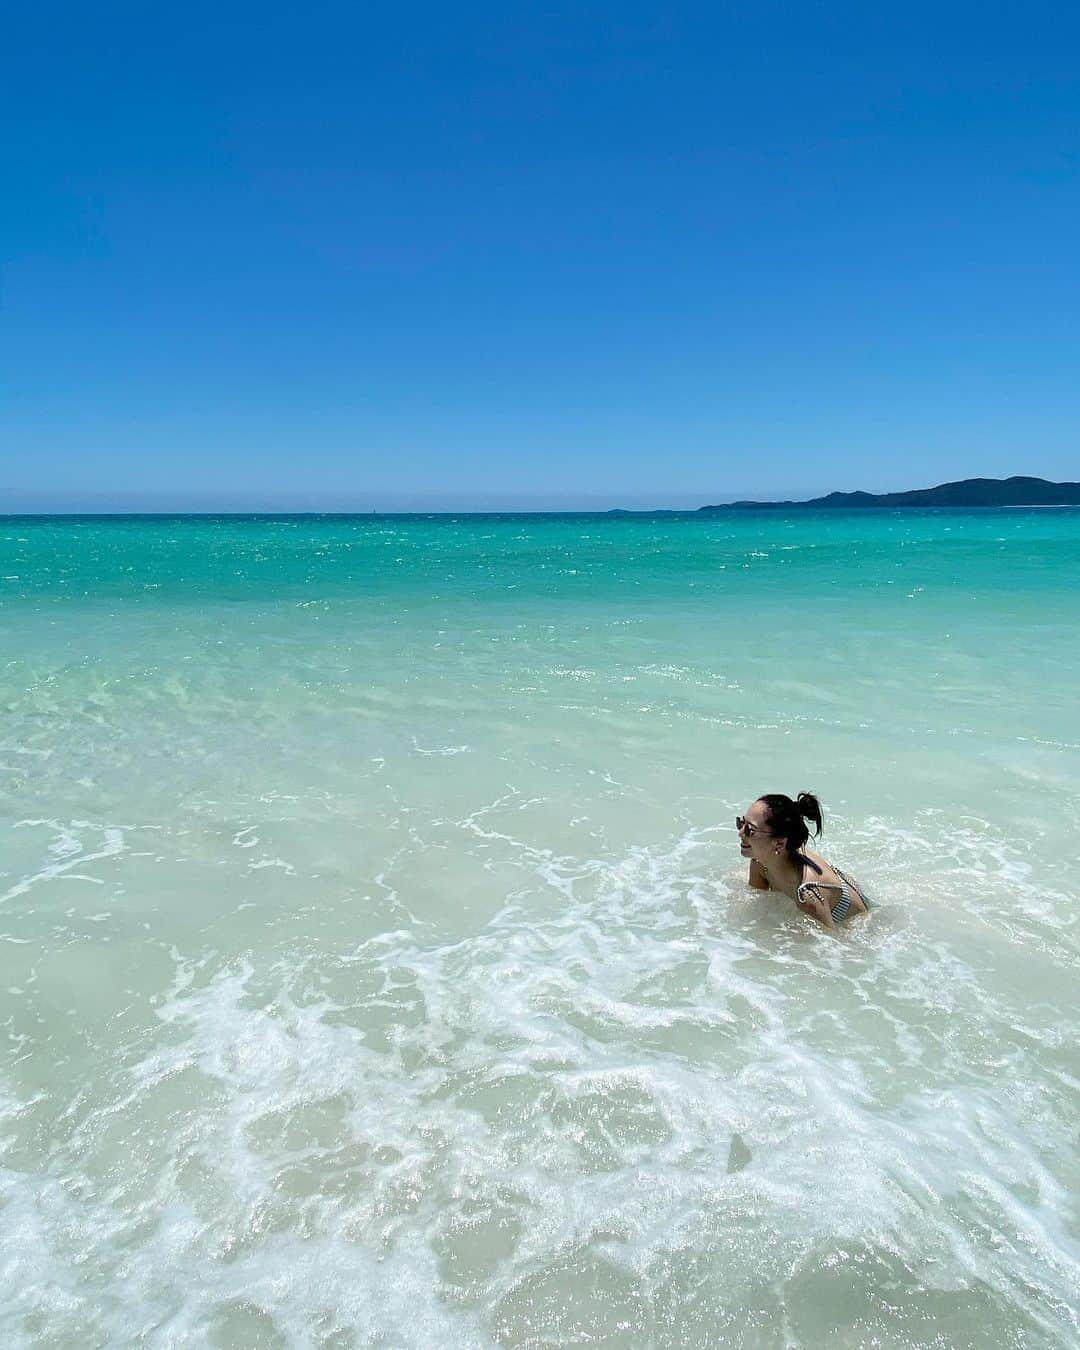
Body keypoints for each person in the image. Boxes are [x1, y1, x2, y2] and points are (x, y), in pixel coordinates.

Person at [737, 791, 870, 928]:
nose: (740, 833)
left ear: (779, 844)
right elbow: (757, 898)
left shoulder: (808, 897)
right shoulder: (759, 862)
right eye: (740, 823)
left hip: (860, 921)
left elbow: (832, 943)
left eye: (749, 830)